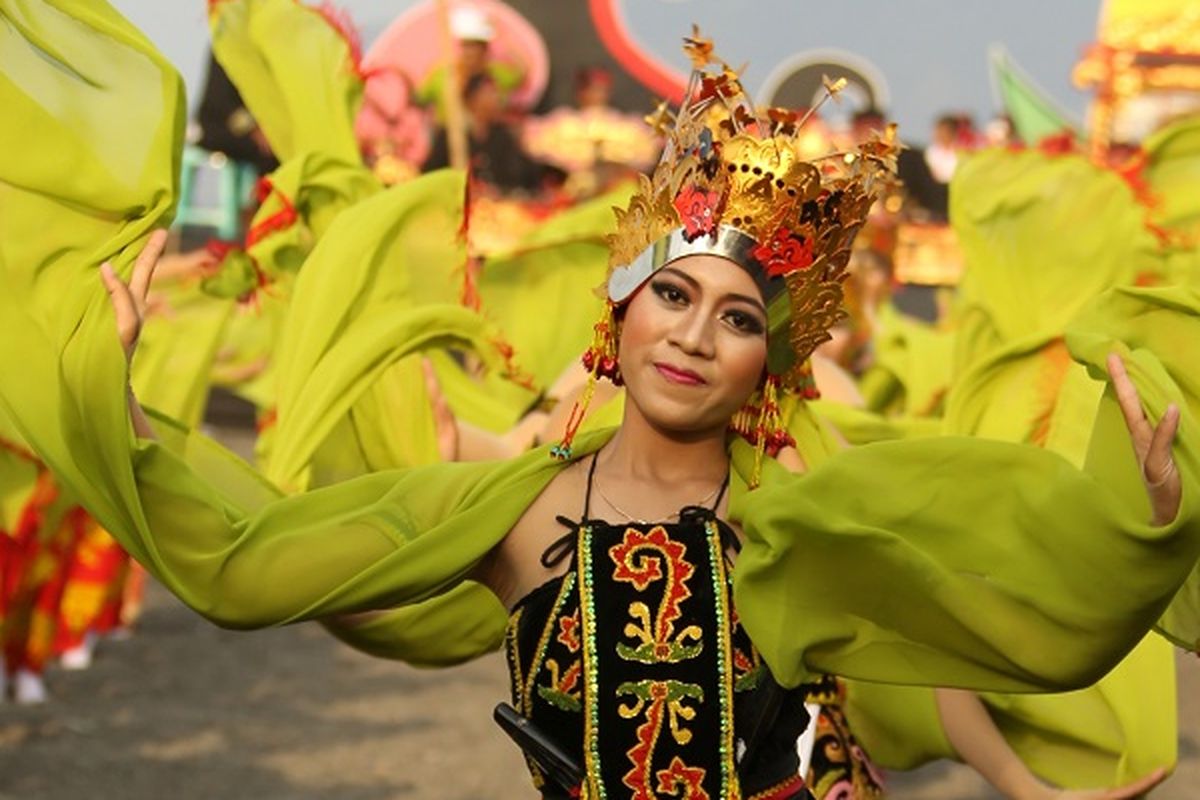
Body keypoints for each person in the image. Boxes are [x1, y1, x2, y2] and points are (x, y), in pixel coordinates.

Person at [4, 10, 1196, 797]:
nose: (693, 331)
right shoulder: (511, 510)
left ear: (765, 361)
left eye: (737, 316)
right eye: (672, 293)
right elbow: (251, 557)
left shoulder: (798, 516)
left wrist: (1138, 524)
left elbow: (1012, 616)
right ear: (615, 316)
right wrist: (112, 406)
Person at [424, 72, 546, 194]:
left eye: (496, 93)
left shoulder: (502, 135)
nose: (496, 98)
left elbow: (520, 177)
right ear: (472, 100)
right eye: (489, 93)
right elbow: (430, 176)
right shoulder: (451, 135)